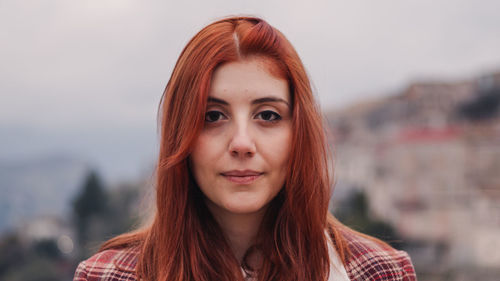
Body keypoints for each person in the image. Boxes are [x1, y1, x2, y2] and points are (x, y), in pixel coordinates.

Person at [73, 16, 416, 281]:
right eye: (212, 116)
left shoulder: (379, 273)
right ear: (182, 134)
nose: (241, 143)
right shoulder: (107, 276)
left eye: (267, 115)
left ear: (299, 132)